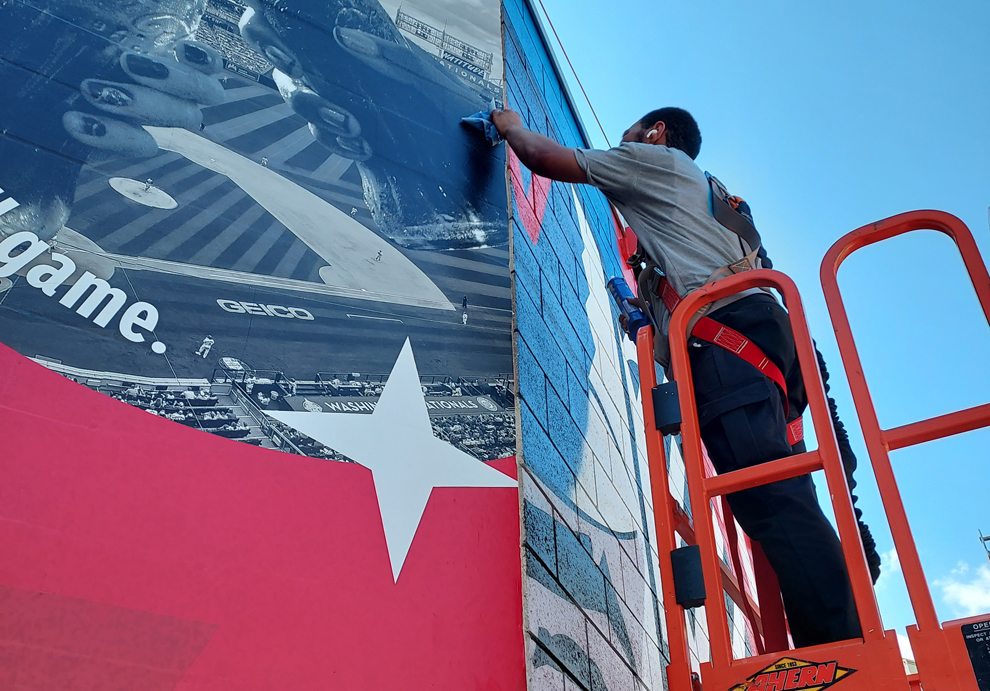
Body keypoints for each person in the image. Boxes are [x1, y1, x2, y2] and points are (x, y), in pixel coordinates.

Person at [492, 106, 877, 648]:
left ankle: (840, 653)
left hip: (725, 337)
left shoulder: (656, 161)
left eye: (630, 135)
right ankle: (843, 634)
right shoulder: (708, 197)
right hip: (758, 337)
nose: (621, 145)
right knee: (779, 491)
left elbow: (542, 157)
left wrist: (507, 122)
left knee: (768, 497)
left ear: (657, 133)